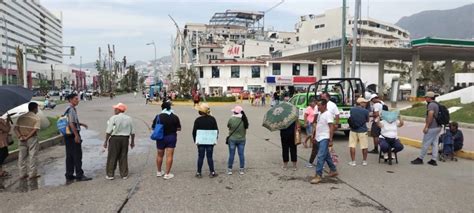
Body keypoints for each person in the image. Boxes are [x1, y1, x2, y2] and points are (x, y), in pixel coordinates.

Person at [64, 93, 92, 181]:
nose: (78, 100)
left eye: (78, 99)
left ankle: (69, 174)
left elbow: (71, 122)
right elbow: (71, 123)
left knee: (70, 156)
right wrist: (76, 135)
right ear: (71, 100)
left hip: (67, 135)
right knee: (77, 155)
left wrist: (81, 124)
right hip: (72, 135)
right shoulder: (71, 109)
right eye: (76, 99)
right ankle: (79, 175)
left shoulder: (67, 109)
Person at [103, 103, 135, 180]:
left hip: (115, 139)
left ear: (119, 110)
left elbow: (109, 131)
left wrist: (106, 141)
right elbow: (132, 132)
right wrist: (132, 142)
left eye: (115, 109)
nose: (114, 110)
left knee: (112, 156)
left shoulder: (113, 118)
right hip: (125, 139)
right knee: (123, 156)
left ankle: (110, 174)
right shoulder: (129, 118)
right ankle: (124, 174)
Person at [310, 99, 338, 184]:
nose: (317, 107)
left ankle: (318, 175)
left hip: (324, 138)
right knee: (326, 155)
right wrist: (314, 136)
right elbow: (319, 125)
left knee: (321, 156)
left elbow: (331, 127)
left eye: (319, 105)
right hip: (319, 137)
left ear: (324, 106)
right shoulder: (320, 114)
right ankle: (333, 170)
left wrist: (330, 139)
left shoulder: (328, 114)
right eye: (317, 105)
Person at [411, 91, 442, 166]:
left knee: (425, 143)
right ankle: (433, 160)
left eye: (426, 97)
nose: (425, 99)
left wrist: (426, 127)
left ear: (429, 98)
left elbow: (430, 116)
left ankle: (420, 158)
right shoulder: (437, 104)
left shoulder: (431, 105)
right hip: (438, 127)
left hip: (432, 127)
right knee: (435, 143)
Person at [152, 101, 181, 180]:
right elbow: (179, 128)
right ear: (170, 108)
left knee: (159, 155)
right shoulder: (175, 117)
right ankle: (167, 174)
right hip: (171, 137)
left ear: (162, 108)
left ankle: (159, 171)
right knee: (169, 156)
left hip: (160, 137)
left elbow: (153, 128)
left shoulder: (158, 116)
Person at [14, 102, 41, 179]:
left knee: (21, 156)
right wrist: (27, 137)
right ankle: (32, 174)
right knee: (33, 156)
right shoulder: (36, 118)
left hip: (21, 139)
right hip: (32, 139)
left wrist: (20, 136)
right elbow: (35, 130)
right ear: (35, 108)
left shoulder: (21, 117)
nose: (37, 109)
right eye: (37, 108)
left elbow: (15, 128)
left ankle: (22, 173)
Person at [192, 103, 219, 178]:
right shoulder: (212, 119)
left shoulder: (198, 120)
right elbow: (216, 130)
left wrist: (196, 140)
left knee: (200, 156)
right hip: (210, 141)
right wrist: (215, 140)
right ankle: (212, 172)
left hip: (200, 141)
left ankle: (198, 172)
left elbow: (194, 132)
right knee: (209, 157)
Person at [226, 106, 249, 175]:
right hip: (242, 139)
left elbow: (228, 126)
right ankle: (241, 169)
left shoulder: (231, 119)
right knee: (241, 154)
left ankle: (230, 169)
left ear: (234, 112)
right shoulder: (244, 120)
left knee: (231, 155)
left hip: (232, 139)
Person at [348, 98, 370, 166]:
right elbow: (367, 120)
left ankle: (353, 161)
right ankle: (364, 161)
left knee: (352, 146)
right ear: (360, 103)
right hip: (363, 130)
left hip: (353, 130)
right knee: (364, 146)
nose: (365, 103)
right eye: (364, 102)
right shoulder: (366, 111)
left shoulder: (352, 109)